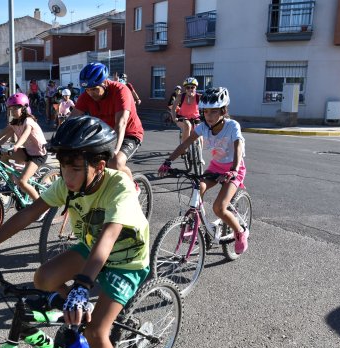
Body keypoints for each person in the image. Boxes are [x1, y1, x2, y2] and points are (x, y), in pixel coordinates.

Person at [0, 116, 150, 348]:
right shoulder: (67, 184)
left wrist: (82, 286)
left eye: (75, 168)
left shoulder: (118, 187)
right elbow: (28, 212)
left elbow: (109, 236)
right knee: (43, 277)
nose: (66, 176)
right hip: (91, 247)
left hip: (126, 260)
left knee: (97, 333)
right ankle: (78, 313)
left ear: (99, 166)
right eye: (62, 167)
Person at [158, 87, 249, 254]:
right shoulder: (202, 127)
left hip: (233, 169)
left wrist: (234, 170)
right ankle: (196, 225)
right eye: (206, 111)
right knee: (198, 187)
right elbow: (185, 144)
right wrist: (168, 161)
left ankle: (240, 232)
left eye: (214, 112)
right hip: (215, 167)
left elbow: (238, 147)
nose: (209, 116)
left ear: (223, 110)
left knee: (219, 208)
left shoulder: (232, 126)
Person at [70, 62, 144, 182]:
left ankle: (133, 189)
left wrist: (114, 150)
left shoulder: (120, 90)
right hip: (106, 134)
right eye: (87, 89)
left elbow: (121, 123)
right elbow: (71, 119)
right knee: (85, 161)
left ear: (105, 82)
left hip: (129, 133)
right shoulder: (87, 96)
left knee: (115, 163)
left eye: (94, 89)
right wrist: (58, 140)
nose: (90, 93)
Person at [0, 93, 47, 202]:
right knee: (2, 157)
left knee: (22, 182)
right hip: (27, 152)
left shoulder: (28, 121)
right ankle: (11, 184)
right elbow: (0, 135)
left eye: (15, 108)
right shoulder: (15, 123)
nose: (12, 111)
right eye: (10, 109)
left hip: (38, 155)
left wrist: (16, 146)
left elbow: (25, 134)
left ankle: (41, 207)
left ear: (24, 108)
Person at [172, 77, 201, 144]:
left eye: (192, 87)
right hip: (182, 118)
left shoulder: (199, 97)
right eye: (188, 87)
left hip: (195, 118)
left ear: (195, 88)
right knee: (188, 125)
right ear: (185, 89)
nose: (190, 89)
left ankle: (199, 154)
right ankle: (184, 148)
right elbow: (173, 108)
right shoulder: (180, 96)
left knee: (200, 137)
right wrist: (174, 117)